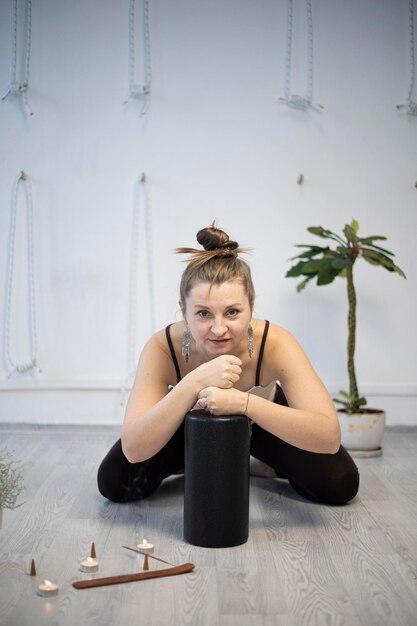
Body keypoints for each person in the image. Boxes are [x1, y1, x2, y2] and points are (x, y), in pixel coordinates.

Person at [98, 225, 359, 505]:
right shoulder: (162, 347)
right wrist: (195, 383)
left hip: (261, 426)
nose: (218, 329)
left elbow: (328, 436)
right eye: (203, 313)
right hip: (187, 423)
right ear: (183, 310)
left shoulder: (276, 342)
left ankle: (258, 458)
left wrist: (244, 404)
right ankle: (191, 458)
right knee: (115, 483)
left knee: (339, 482)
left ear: (252, 305)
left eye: (232, 312)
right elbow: (134, 449)